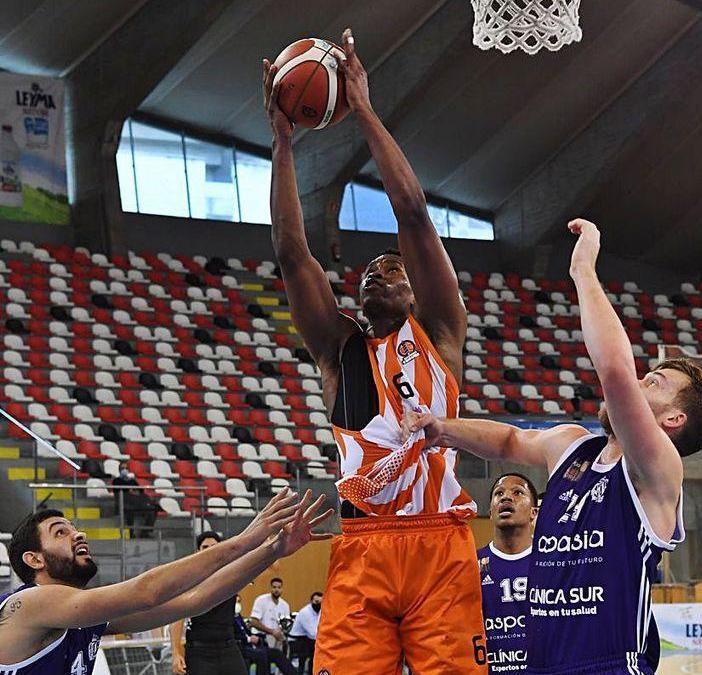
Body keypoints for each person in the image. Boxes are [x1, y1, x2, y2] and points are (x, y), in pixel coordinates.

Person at [400, 219, 702, 674]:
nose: (637, 383)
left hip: (609, 666)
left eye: (652, 382)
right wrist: (443, 428)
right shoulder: (574, 447)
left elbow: (614, 372)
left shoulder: (657, 469)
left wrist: (583, 270)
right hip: (544, 665)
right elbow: (510, 439)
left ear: (672, 420)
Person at [263, 28, 486, 674]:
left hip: (439, 542)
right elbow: (289, 252)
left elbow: (413, 211)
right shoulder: (339, 351)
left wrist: (360, 106)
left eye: (391, 268)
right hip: (362, 545)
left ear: (418, 291)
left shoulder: (441, 331)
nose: (374, 272)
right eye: (367, 271)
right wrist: (282, 144)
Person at [0, 489, 330, 675]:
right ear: (34, 559)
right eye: (61, 532)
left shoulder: (82, 617)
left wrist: (273, 550)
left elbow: (194, 600)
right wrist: (246, 539)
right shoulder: (28, 604)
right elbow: (147, 590)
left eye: (75, 527)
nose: (78, 534)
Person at [475, 473, 539, 674]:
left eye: (518, 492)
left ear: (534, 513)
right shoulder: (469, 565)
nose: (506, 497)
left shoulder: (551, 563)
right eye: (499, 493)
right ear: (491, 513)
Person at [169, 532, 250, 675]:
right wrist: (176, 653)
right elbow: (177, 618)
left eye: (214, 547)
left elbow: (272, 567)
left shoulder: (233, 573)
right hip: (200, 651)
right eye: (205, 547)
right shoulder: (189, 579)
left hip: (228, 646)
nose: (211, 550)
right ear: (197, 552)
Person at [111, 463, 159, 538]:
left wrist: (134, 491)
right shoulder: (116, 481)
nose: (125, 470)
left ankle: (146, 532)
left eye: (126, 468)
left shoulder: (132, 481)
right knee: (130, 511)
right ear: (119, 470)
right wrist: (129, 491)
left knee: (153, 508)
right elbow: (118, 491)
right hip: (126, 502)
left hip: (137, 501)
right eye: (123, 468)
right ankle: (131, 533)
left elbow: (140, 490)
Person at [248, 577, 289, 650]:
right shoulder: (261, 600)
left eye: (279, 587)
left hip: (277, 638)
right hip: (261, 636)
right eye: (274, 587)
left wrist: (279, 632)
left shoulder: (285, 605)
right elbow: (253, 622)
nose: (276, 590)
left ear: (282, 589)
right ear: (270, 588)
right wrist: (272, 631)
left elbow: (286, 625)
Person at [288, 592, 322, 674]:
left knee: (318, 648)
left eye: (321, 602)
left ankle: (313, 670)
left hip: (307, 639)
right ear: (311, 601)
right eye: (316, 602)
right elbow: (313, 634)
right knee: (315, 650)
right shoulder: (305, 612)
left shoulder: (320, 611)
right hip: (296, 641)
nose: (318, 604)